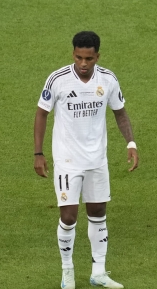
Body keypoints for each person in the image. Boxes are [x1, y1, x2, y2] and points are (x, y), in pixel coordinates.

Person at [34, 31, 139, 289]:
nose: (83, 63)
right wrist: (38, 153)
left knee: (98, 213)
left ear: (97, 57)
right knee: (69, 217)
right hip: (68, 161)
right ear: (73, 54)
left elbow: (120, 113)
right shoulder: (57, 80)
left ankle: (98, 272)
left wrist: (131, 143)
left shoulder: (108, 79)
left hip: (97, 160)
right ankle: (67, 271)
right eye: (79, 57)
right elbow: (41, 114)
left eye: (89, 58)